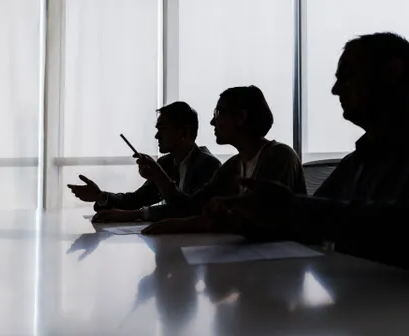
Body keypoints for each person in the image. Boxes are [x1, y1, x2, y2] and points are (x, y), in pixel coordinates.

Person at [218, 33, 409, 284]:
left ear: (392, 72)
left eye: (346, 76)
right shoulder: (356, 162)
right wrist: (252, 220)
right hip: (363, 304)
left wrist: (290, 208)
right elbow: (306, 222)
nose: (335, 89)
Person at [92, 85, 306, 234]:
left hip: (283, 266)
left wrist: (185, 225)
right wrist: (158, 175)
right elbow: (189, 205)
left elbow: (264, 221)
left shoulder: (281, 156)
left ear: (241, 117)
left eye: (219, 111)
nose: (213, 120)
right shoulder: (234, 165)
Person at [68, 101, 221, 211]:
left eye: (162, 129)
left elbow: (188, 210)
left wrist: (137, 215)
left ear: (183, 132)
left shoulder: (208, 165)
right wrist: (100, 196)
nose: (156, 136)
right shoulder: (167, 163)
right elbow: (137, 199)